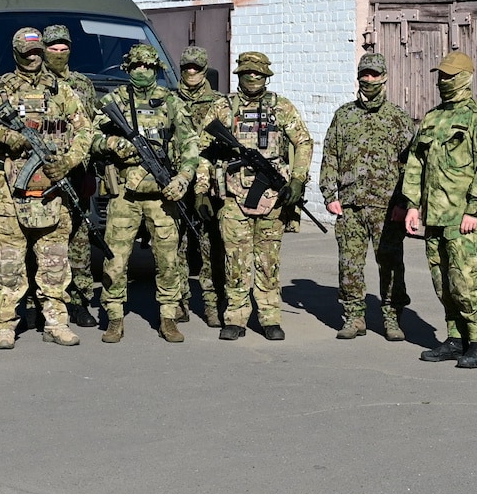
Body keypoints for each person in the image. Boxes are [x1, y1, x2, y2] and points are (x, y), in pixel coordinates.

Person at [0, 26, 95, 349]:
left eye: (37, 52)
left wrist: (68, 162)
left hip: (51, 190)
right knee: (9, 262)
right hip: (10, 191)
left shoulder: (61, 91)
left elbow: (85, 131)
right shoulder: (0, 91)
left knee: (54, 262)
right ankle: (5, 325)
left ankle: (56, 323)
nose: (34, 58)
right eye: (27, 53)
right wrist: (3, 135)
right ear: (17, 54)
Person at [92, 43, 199, 344]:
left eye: (148, 66)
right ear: (128, 69)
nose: (142, 71)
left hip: (162, 196)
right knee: (115, 260)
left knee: (168, 260)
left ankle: (168, 317)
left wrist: (183, 178)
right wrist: (113, 144)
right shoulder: (113, 101)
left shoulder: (170, 101)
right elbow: (90, 138)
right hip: (124, 197)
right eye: (137, 66)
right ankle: (114, 318)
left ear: (156, 70)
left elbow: (190, 143)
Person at [403, 52, 477, 369]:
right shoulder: (432, 118)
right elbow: (415, 163)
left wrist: (474, 209)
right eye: (440, 75)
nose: (443, 81)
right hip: (435, 216)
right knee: (442, 282)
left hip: (463, 217)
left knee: (463, 281)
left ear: (465, 77)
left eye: (449, 75)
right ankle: (456, 338)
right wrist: (412, 206)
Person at [211, 51, 312, 341]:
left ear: (266, 76)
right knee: (235, 261)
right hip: (233, 197)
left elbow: (304, 142)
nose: (253, 77)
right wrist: (204, 189)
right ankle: (235, 318)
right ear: (239, 75)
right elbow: (204, 148)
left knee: (268, 261)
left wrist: (297, 179)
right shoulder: (224, 107)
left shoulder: (281, 107)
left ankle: (269, 318)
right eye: (247, 72)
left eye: (258, 73)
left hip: (272, 197)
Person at [319, 52, 414, 340]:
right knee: (349, 265)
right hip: (351, 205)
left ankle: (392, 318)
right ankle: (354, 317)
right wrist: (329, 194)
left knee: (391, 264)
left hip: (387, 208)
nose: (369, 80)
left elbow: (410, 165)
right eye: (365, 74)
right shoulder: (344, 116)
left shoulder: (397, 117)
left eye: (374, 74)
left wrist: (405, 203)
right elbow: (330, 155)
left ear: (384, 78)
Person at [41, 23, 102, 327]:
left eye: (64, 48)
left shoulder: (82, 84)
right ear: (43, 50)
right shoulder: (34, 84)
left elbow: (91, 125)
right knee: (42, 239)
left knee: (78, 240)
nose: (59, 53)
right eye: (53, 48)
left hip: (76, 172)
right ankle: (38, 302)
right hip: (41, 174)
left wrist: (85, 160)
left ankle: (79, 301)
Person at [173, 45, 227, 327]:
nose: (191, 72)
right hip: (177, 181)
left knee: (211, 246)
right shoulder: (169, 100)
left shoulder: (219, 103)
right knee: (176, 246)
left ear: (205, 69)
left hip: (209, 184)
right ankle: (179, 302)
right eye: (187, 67)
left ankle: (212, 304)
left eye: (196, 67)